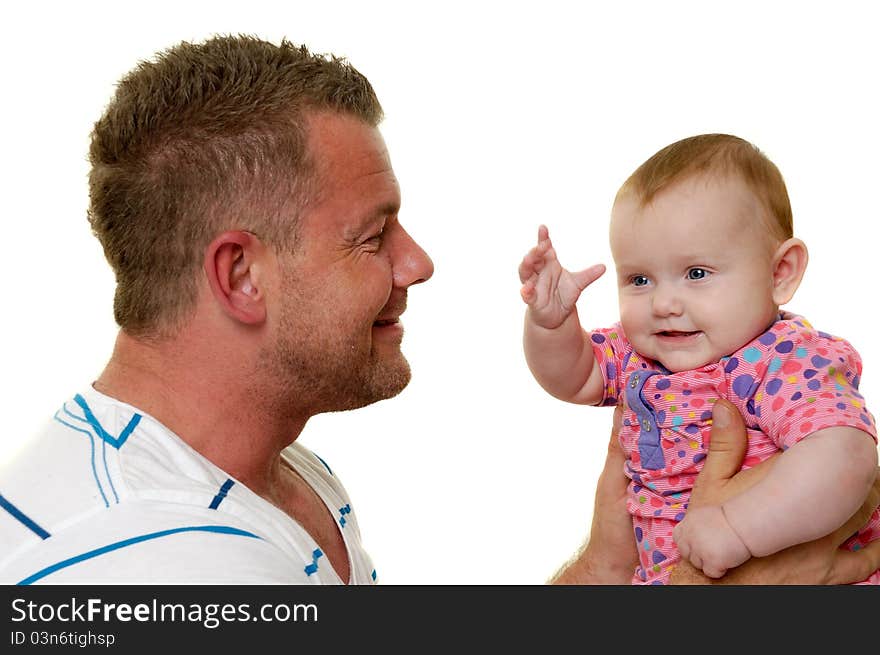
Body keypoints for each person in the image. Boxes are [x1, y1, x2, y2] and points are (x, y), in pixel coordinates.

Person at [0, 34, 433, 584]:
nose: (417, 263)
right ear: (241, 277)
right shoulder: (154, 557)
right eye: (373, 236)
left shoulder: (284, 479)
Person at [519, 133, 879, 584]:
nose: (664, 303)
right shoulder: (640, 353)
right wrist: (551, 325)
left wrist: (737, 529)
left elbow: (846, 455)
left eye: (696, 274)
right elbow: (575, 377)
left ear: (779, 273)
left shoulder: (783, 359)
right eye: (639, 279)